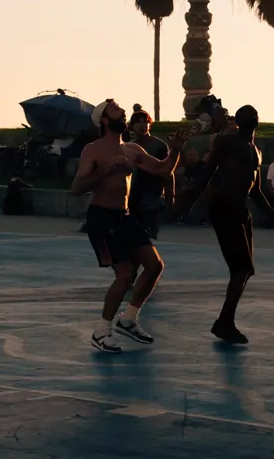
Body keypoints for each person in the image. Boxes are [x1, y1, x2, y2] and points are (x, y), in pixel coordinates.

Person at [70, 98, 188, 353]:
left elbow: (163, 169)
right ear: (103, 120)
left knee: (155, 265)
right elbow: (77, 188)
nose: (123, 113)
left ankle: (129, 319)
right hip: (101, 218)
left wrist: (176, 150)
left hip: (124, 217)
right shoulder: (94, 150)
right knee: (125, 276)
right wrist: (107, 170)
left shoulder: (132, 150)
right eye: (116, 111)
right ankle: (102, 331)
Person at [203, 104, 274, 344]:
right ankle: (225, 321)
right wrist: (185, 203)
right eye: (246, 116)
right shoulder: (228, 143)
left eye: (255, 115)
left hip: (240, 211)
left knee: (246, 269)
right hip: (225, 208)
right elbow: (207, 172)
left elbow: (256, 191)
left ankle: (225, 320)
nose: (252, 118)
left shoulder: (256, 152)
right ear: (238, 121)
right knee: (241, 269)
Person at [127, 108, 174, 239]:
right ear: (132, 126)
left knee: (148, 234)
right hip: (132, 195)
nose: (142, 125)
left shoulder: (159, 146)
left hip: (152, 194)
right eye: (138, 122)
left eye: (145, 122)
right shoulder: (129, 147)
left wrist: (170, 198)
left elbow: (168, 171)